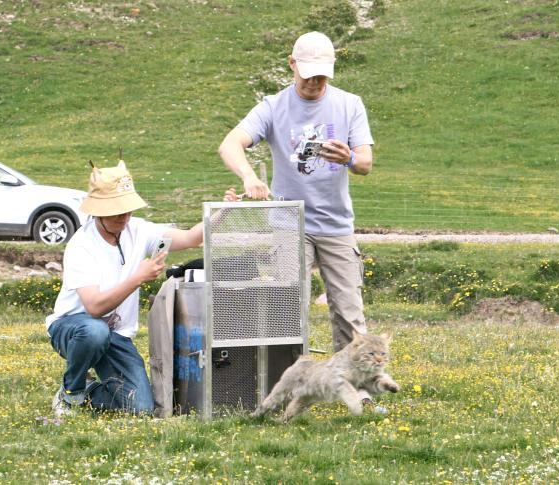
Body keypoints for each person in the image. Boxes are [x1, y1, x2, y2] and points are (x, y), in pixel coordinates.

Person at [218, 31, 374, 352]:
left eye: (321, 76)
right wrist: (249, 176)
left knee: (349, 312)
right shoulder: (273, 107)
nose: (314, 83)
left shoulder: (350, 105)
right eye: (307, 75)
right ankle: (287, 383)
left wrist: (350, 158)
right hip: (290, 224)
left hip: (336, 225)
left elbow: (366, 164)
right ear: (292, 64)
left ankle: (355, 387)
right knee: (288, 310)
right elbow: (230, 144)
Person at [45, 160, 235, 418]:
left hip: (116, 335)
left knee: (140, 405)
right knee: (94, 331)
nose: (124, 217)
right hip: (74, 328)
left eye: (128, 210)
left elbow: (191, 237)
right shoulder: (82, 246)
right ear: (99, 211)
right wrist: (138, 278)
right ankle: (71, 391)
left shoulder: (139, 230)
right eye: (116, 211)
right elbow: (94, 307)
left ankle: (89, 391)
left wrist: (221, 212)